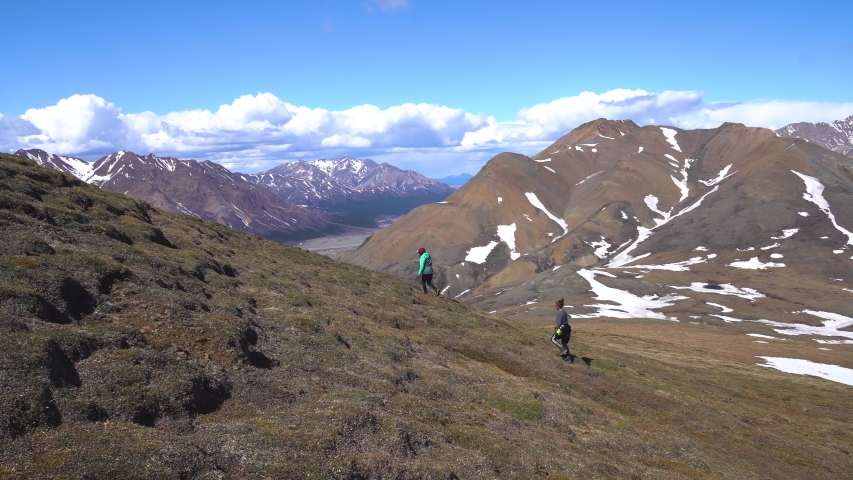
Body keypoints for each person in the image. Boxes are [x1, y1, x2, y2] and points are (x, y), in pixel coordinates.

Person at [550, 298, 574, 362]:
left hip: (562, 330)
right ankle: (568, 358)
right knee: (564, 343)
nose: (555, 306)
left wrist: (556, 332)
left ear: (558, 306)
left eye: (556, 305)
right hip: (567, 330)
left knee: (553, 339)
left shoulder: (560, 313)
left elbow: (559, 324)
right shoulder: (564, 312)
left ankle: (562, 349)